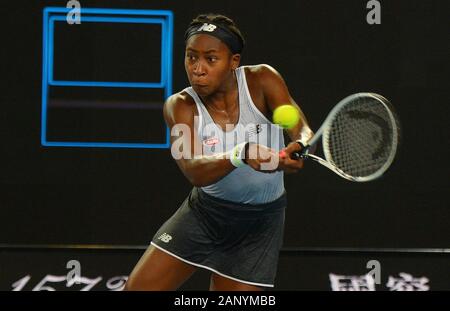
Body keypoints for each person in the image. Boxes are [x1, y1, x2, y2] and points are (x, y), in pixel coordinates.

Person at [124, 13, 313, 291]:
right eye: (191, 57)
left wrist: (298, 148)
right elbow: (193, 169)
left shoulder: (263, 80)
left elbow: (303, 130)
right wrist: (242, 153)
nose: (198, 68)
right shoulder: (179, 106)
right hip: (204, 215)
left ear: (233, 62)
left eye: (210, 59)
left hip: (260, 226)